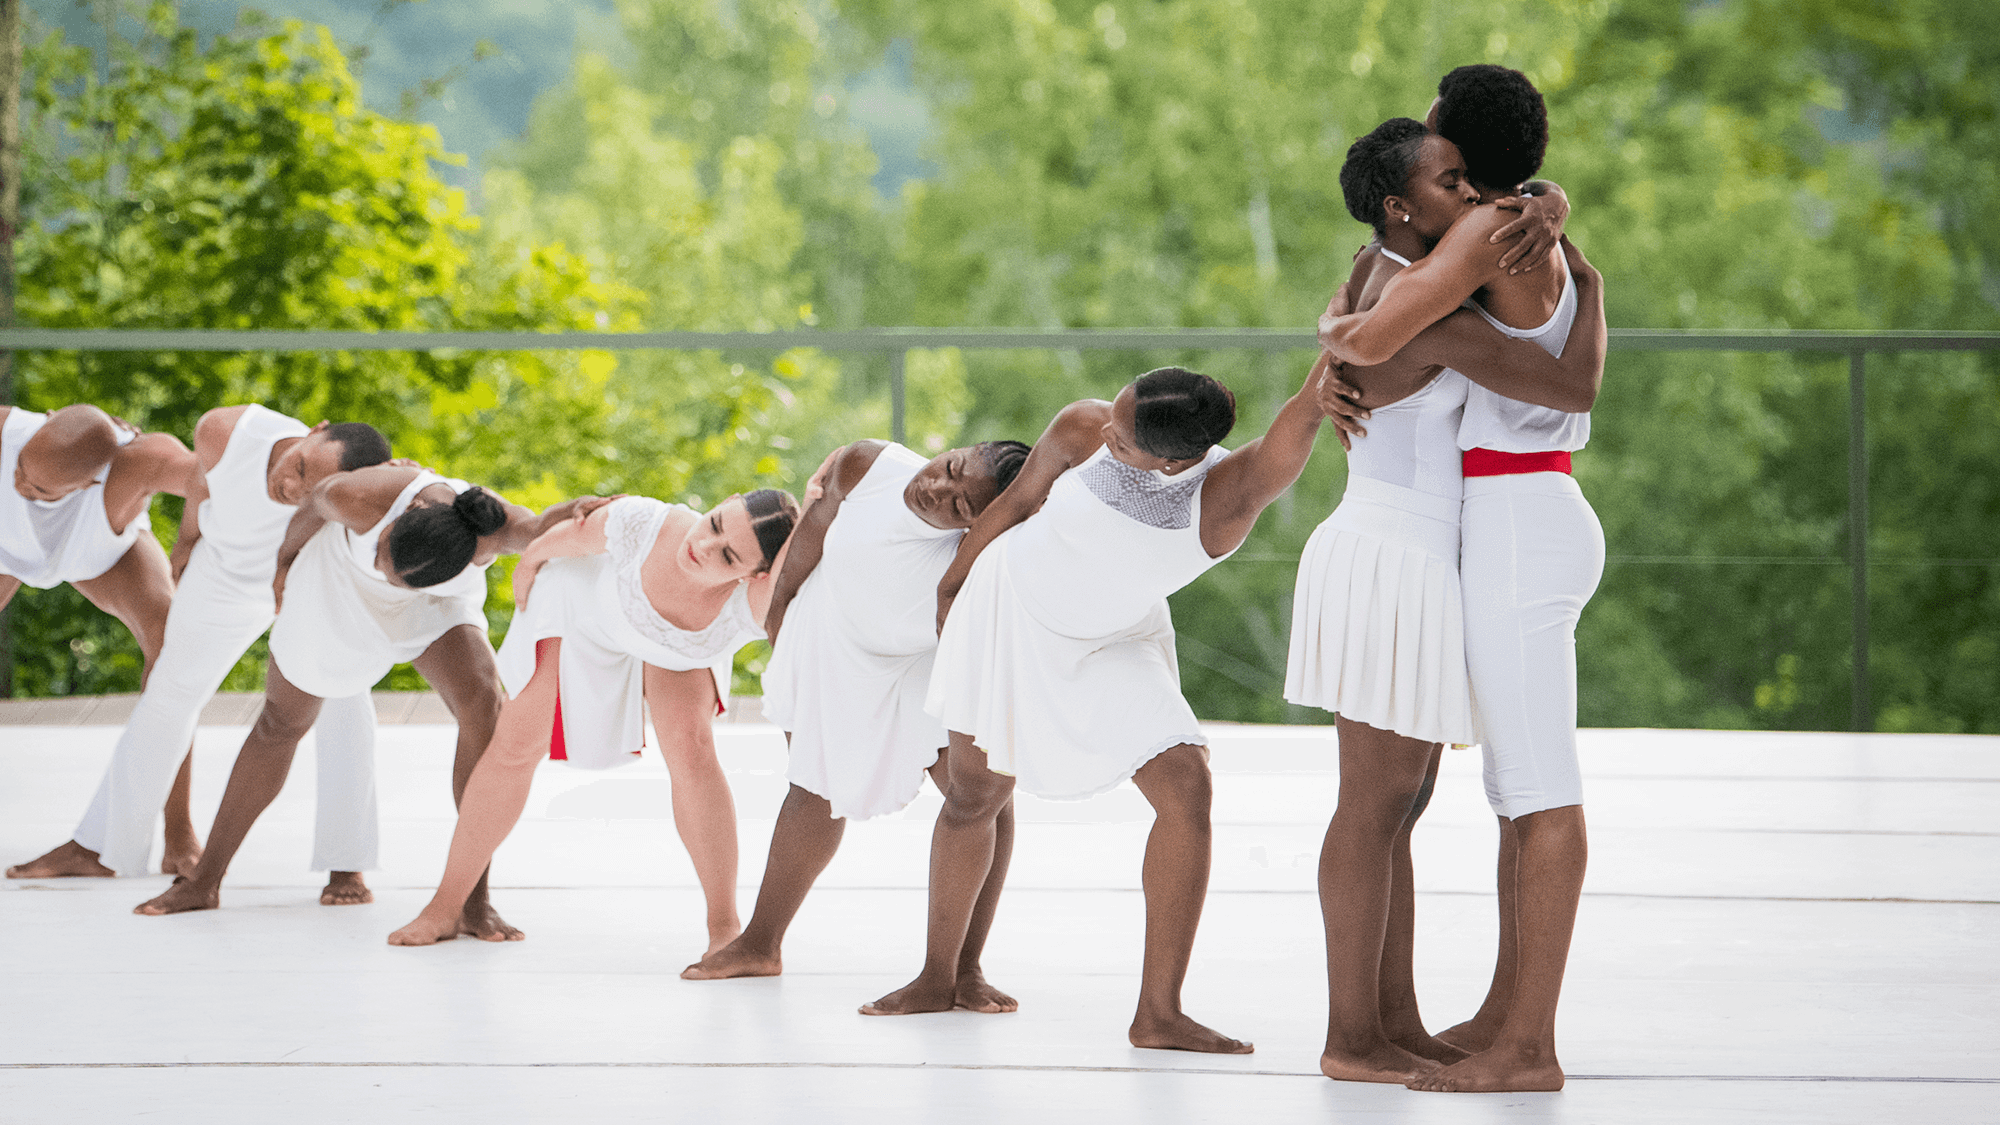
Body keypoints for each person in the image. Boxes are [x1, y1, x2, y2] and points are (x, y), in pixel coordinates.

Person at [862, 363, 1332, 1055]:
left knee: (1187, 783)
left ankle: (1159, 1012)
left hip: (1112, 640)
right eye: (1115, 410)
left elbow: (1302, 416)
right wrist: (953, 581)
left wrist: (1333, 369)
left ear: (1177, 457)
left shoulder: (1226, 497)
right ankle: (941, 975)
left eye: (1123, 430)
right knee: (974, 795)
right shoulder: (1086, 424)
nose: (1103, 425)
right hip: (1009, 610)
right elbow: (1019, 501)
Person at [1289, 116, 1607, 1083]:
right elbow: (1569, 383)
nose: (1473, 200)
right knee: (1374, 806)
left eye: (1474, 180)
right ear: (1402, 205)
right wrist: (1587, 281)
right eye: (1452, 182)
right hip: (1396, 553)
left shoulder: (1374, 269)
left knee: (1399, 804)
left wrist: (1563, 233)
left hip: (1414, 549)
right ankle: (1354, 1037)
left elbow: (1364, 311)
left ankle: (1391, 1023)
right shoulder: (1431, 314)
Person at [134, 464, 610, 930]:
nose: (387, 572)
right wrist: (282, 564)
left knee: (485, 705)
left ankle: (471, 900)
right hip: (336, 585)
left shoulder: (494, 531)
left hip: (431, 604)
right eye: (385, 556)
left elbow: (552, 527)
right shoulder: (361, 496)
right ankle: (205, 880)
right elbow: (315, 499)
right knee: (282, 722)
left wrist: (589, 511)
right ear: (407, 513)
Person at [681, 439, 1030, 1006]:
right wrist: (781, 611)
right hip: (828, 636)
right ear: (958, 450)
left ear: (983, 522)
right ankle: (760, 943)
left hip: (911, 664)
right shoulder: (868, 465)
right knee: (813, 789)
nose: (937, 489)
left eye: (961, 507)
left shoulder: (983, 561)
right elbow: (810, 539)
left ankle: (963, 968)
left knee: (985, 795)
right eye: (950, 468)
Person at [386, 488, 799, 953]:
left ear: (757, 575)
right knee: (517, 744)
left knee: (692, 750)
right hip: (587, 601)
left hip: (678, 645)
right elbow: (542, 549)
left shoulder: (760, 600)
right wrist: (526, 568)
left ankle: (724, 928)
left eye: (726, 556)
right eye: (715, 524)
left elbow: (817, 559)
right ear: (724, 501)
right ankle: (443, 908)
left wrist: (819, 495)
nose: (701, 547)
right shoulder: (642, 521)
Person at [9, 407, 392, 901]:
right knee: (168, 692)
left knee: (344, 698)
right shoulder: (227, 430)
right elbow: (202, 484)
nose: (292, 488)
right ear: (314, 431)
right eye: (298, 467)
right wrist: (187, 542)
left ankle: (347, 864)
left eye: (312, 489)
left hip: (306, 577)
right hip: (225, 572)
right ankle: (99, 849)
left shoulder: (355, 493)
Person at [3, 405, 196, 878]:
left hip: (96, 546)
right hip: (7, 542)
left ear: (91, 479)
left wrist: (189, 539)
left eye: (39, 489)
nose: (21, 487)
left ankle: (179, 833)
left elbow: (212, 477)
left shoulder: (137, 461)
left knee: (175, 648)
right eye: (21, 470)